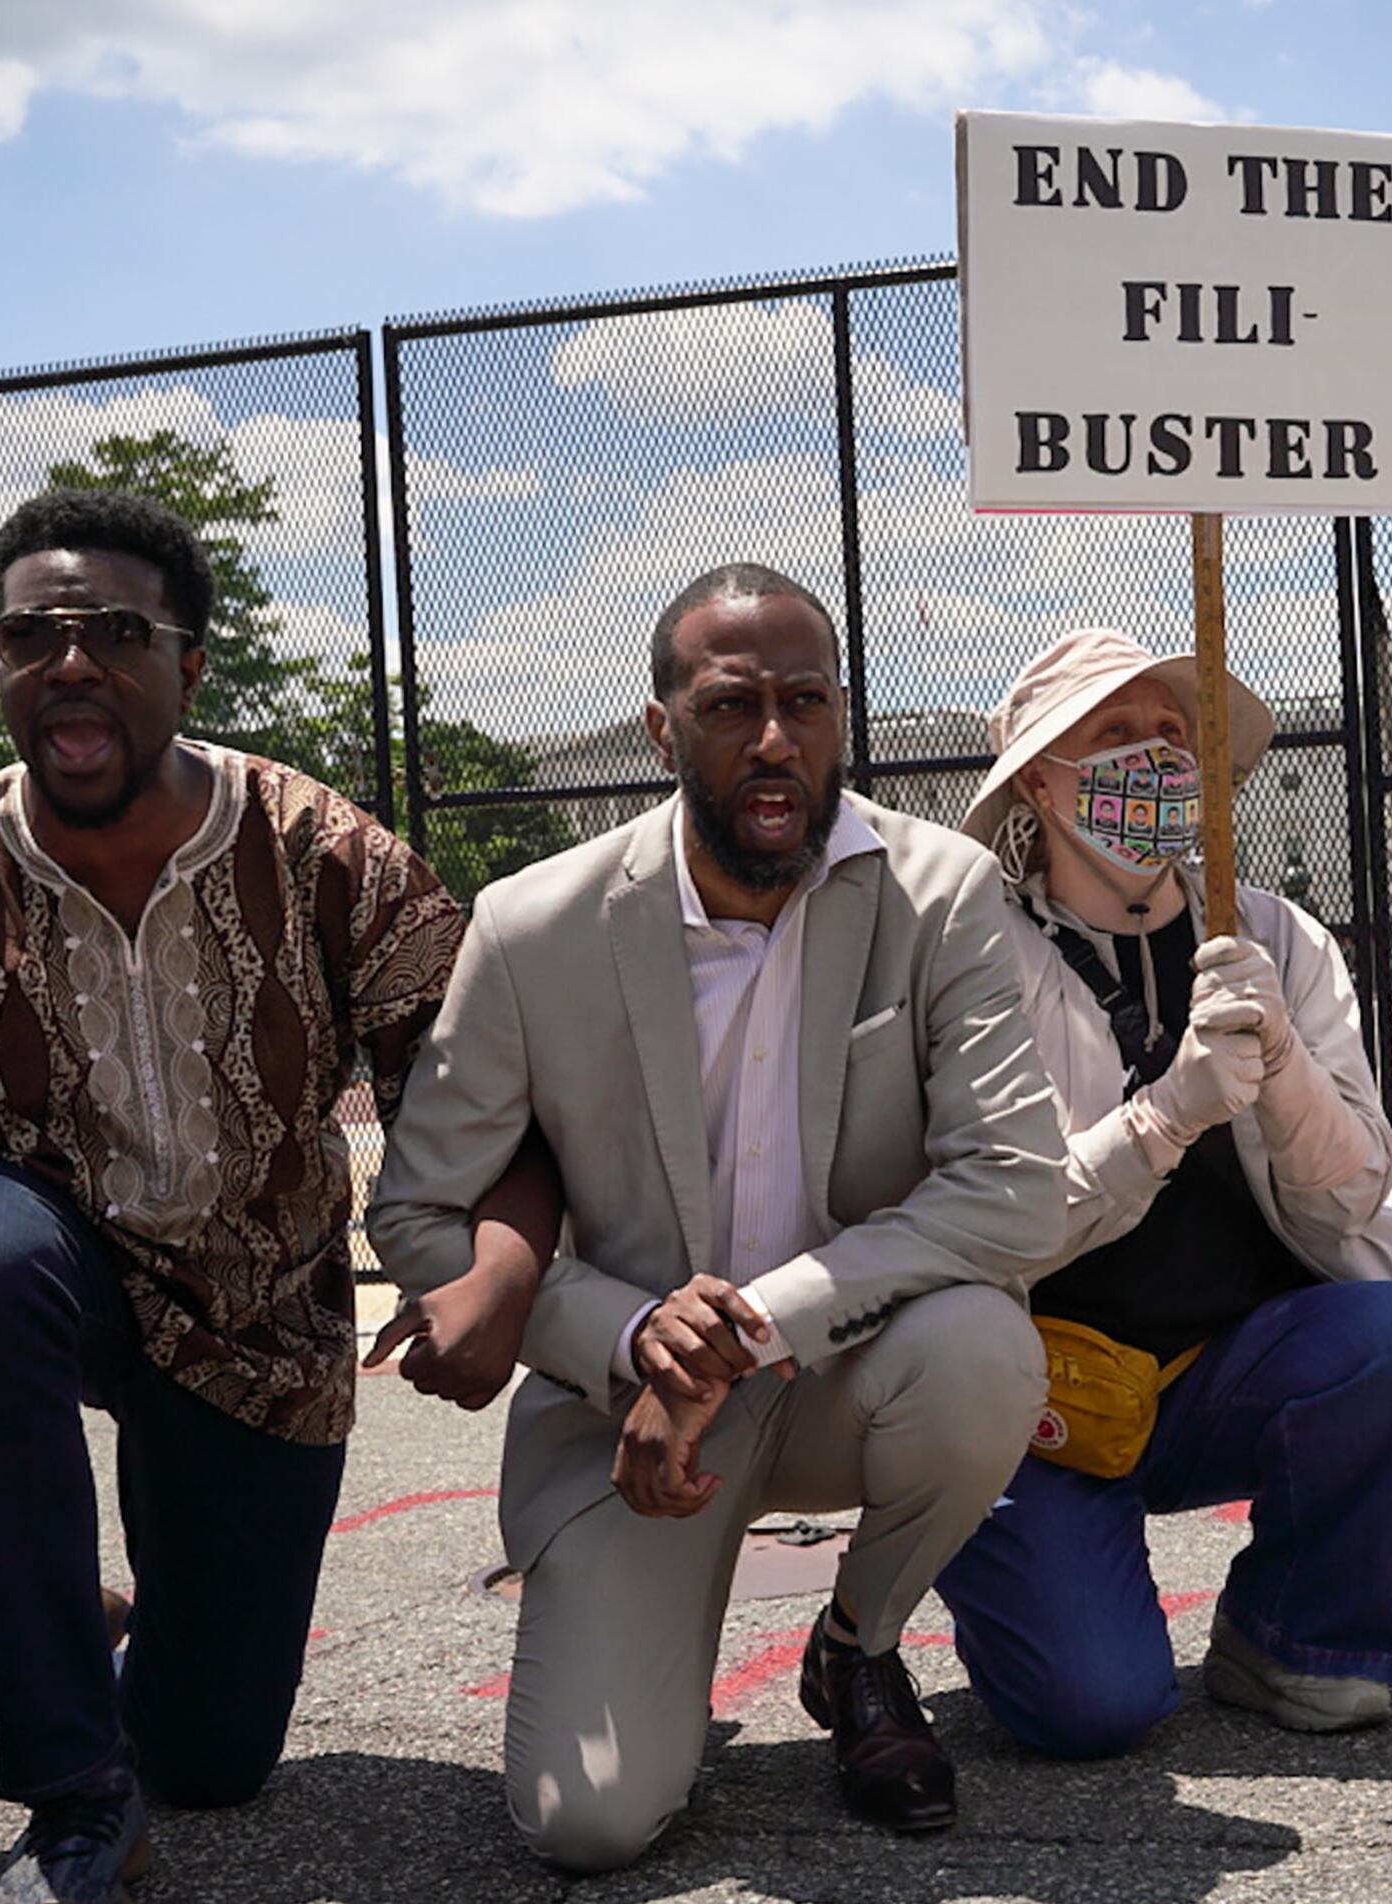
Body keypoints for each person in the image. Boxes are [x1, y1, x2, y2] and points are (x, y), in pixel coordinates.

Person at [0, 485, 550, 1904]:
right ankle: (70, 1796)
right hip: (37, 1277)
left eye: (116, 632)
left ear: (190, 666)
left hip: (261, 1319)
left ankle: (38, 1661)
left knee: (213, 1756)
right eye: (29, 637)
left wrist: (498, 1268)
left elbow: (486, 1092)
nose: (69, 662)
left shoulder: (327, 855)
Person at [365, 563, 1067, 1872]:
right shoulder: (536, 928)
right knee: (590, 1825)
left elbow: (1017, 1186)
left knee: (983, 1351)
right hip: (623, 1411)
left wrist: (744, 1332)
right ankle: (651, 1649)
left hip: (856, 1371)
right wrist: (635, 1337)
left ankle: (854, 1651)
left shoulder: (942, 894)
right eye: (732, 704)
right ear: (661, 727)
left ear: (843, 715)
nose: (776, 740)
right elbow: (416, 1213)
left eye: (807, 702)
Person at [927, 630, 1392, 1759]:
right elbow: (989, 1226)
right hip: (1037, 1395)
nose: (1157, 759)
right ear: (1039, 774)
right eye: (1115, 737)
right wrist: (1164, 1115)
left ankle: (1295, 1634)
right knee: (1091, 1712)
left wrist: (1284, 1073)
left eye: (1174, 736)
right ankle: (1030, 1583)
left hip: (1228, 1371)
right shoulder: (974, 952)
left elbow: (1355, 1191)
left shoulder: (1273, 933)